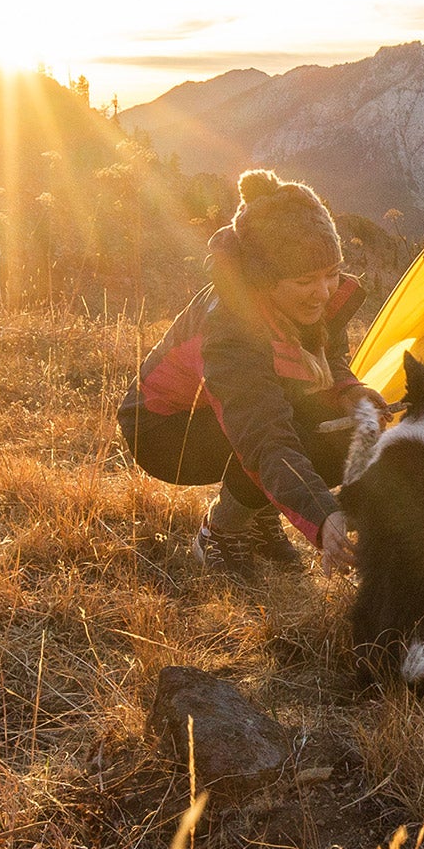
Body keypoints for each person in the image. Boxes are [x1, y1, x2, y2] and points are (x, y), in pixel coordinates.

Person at [119, 169, 382, 575]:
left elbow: (328, 356)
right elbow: (263, 436)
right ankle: (220, 532)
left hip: (223, 411)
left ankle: (260, 514)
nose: (325, 291)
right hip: (163, 430)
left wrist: (348, 389)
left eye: (331, 274)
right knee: (299, 434)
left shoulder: (305, 301)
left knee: (343, 426)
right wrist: (322, 515)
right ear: (265, 278)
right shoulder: (232, 330)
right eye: (306, 279)